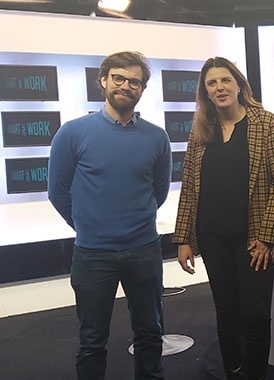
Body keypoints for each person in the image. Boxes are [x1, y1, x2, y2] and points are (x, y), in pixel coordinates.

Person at [48, 51, 171, 380]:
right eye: (119, 78)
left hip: (144, 250)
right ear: (103, 81)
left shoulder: (156, 138)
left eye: (135, 81)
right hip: (92, 254)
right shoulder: (72, 133)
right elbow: (57, 192)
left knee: (149, 335)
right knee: (91, 342)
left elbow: (158, 192)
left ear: (142, 89)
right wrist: (89, 225)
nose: (126, 86)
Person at [173, 57, 274, 380]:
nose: (219, 88)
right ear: (205, 91)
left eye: (225, 80)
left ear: (239, 85)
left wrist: (267, 237)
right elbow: (190, 188)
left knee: (254, 314)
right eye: (212, 83)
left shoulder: (266, 123)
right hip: (212, 236)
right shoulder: (200, 131)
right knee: (226, 312)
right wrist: (184, 239)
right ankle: (232, 371)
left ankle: (254, 374)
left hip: (254, 238)